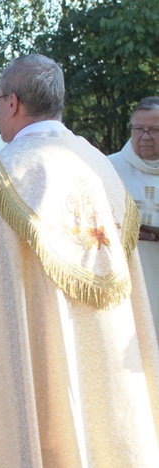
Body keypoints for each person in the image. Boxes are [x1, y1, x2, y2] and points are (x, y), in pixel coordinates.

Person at [0, 54, 159, 466]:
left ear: (12, 103)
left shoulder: (5, 173)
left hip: (35, 353)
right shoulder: (97, 163)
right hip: (100, 349)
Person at [109, 96, 159, 341]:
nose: (145, 136)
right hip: (123, 275)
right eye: (139, 129)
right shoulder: (109, 168)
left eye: (154, 130)